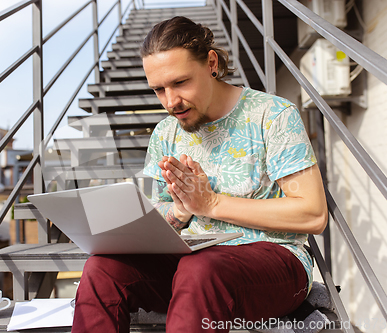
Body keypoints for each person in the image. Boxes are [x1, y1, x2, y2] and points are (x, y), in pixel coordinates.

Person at [72, 16, 327, 333]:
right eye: (159, 89)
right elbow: (159, 211)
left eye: (180, 83)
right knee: (102, 269)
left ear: (211, 62)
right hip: (191, 268)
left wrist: (210, 203)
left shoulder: (273, 115)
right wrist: (179, 211)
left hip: (276, 263)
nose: (170, 101)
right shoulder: (165, 133)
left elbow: (312, 214)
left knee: (201, 268)